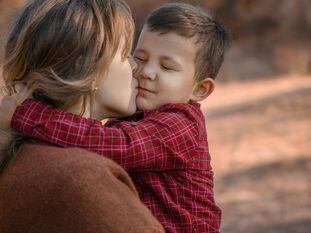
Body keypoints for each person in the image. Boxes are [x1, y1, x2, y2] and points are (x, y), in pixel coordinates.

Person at [1, 2, 231, 233]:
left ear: (200, 90)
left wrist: (27, 114)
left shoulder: (179, 124)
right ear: (89, 67)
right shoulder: (74, 174)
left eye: (167, 67)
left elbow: (113, 145)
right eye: (136, 56)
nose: (143, 71)